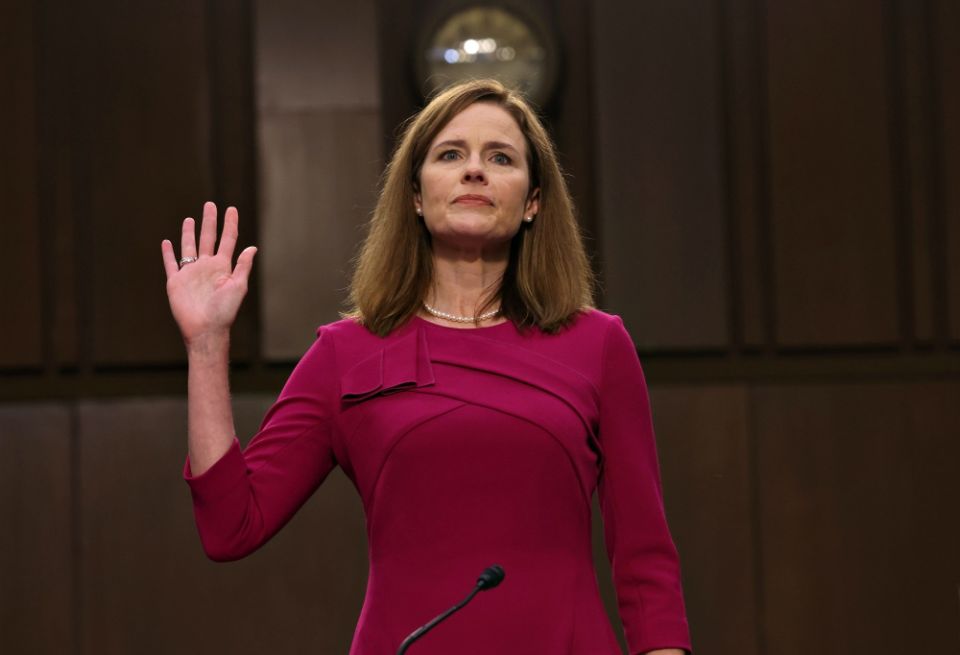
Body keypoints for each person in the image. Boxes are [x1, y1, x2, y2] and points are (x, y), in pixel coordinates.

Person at [161, 79, 691, 654]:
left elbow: (646, 562)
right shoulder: (346, 353)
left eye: (501, 158)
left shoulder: (598, 344)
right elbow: (231, 526)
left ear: (533, 201)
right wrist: (207, 346)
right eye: (451, 154)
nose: (475, 170)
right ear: (415, 194)